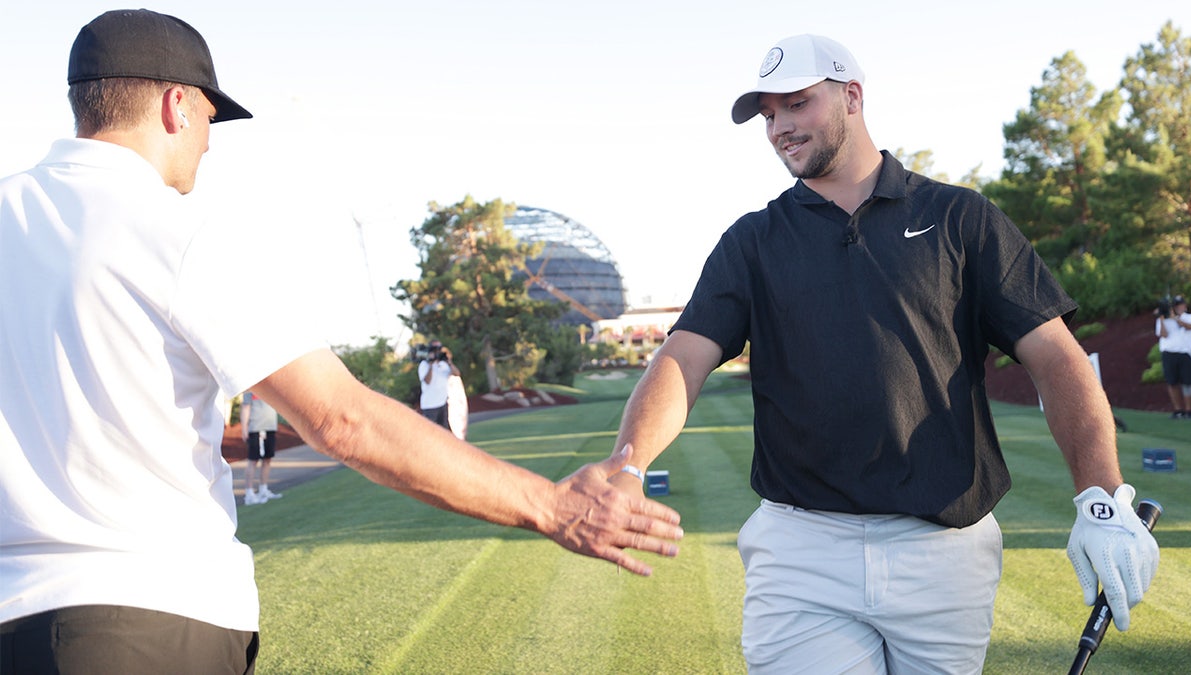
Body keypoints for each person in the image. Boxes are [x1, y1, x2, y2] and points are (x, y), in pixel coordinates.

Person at [0, 10, 682, 673]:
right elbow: (340, 417)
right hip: (146, 623)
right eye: (211, 117)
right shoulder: (177, 232)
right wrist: (553, 505)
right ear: (177, 105)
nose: (209, 139)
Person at [608, 34, 1158, 674]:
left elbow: (1057, 360)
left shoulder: (961, 218)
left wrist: (1101, 494)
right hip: (802, 551)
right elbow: (682, 360)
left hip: (945, 555)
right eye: (769, 115)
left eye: (797, 104)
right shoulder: (752, 241)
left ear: (852, 96)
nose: (781, 127)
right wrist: (627, 465)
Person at [1154, 295, 1191, 418]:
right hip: (1169, 353)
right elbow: (1163, 334)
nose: (1178, 307)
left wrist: (1176, 319)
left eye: (1181, 305)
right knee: (1172, 383)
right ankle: (1178, 410)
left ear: (1185, 306)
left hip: (1185, 353)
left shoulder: (1190, 317)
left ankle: (1189, 411)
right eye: (1176, 305)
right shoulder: (1164, 319)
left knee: (1187, 383)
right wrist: (1162, 318)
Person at [240, 390, 283, 504]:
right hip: (255, 428)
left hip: (270, 427)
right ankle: (249, 494)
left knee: (267, 460)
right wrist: (244, 428)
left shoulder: (270, 386)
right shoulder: (250, 388)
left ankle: (263, 490)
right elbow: (246, 407)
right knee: (253, 461)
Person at [418, 339, 460, 430]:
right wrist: (431, 364)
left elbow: (457, 373)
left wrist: (449, 362)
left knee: (445, 433)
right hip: (430, 406)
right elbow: (427, 381)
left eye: (439, 348)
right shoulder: (424, 364)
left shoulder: (444, 364)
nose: (437, 351)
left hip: (442, 404)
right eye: (434, 349)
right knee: (430, 432)